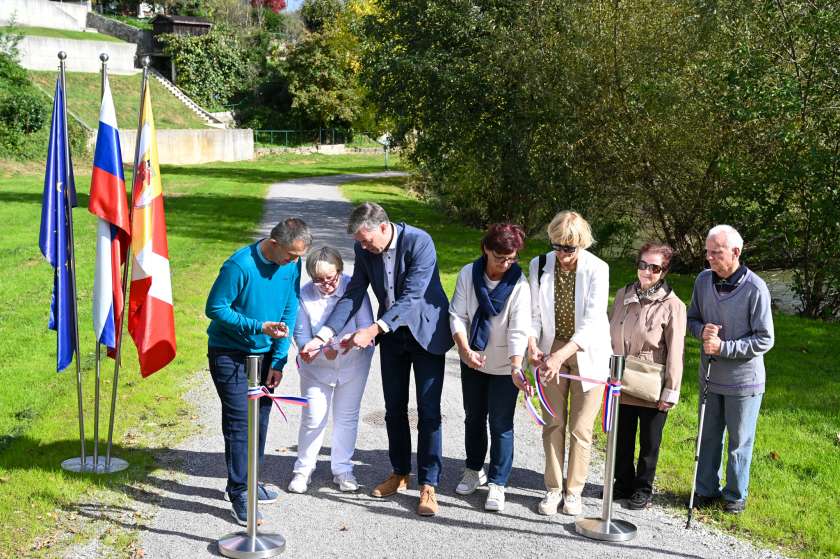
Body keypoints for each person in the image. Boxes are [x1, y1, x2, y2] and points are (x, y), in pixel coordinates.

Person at [300, 202, 453, 516]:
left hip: (426, 333)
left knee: (428, 412)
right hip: (393, 338)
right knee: (394, 409)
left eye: (366, 239)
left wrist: (373, 328)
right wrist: (324, 335)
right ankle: (399, 473)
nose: (363, 246)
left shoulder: (419, 241)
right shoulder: (365, 248)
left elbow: (413, 295)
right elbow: (354, 293)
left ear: (384, 227)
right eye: (359, 242)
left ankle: (429, 484)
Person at [205, 218, 311, 526]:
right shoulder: (239, 265)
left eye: (298, 256)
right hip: (230, 352)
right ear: (274, 243)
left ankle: (251, 481)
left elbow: (290, 307)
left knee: (260, 419)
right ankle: (239, 493)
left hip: (266, 355)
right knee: (240, 423)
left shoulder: (292, 264)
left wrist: (278, 360)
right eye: (291, 254)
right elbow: (215, 308)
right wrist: (256, 326)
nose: (295, 261)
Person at [527, 210, 612, 516]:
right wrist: (533, 345)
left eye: (569, 248)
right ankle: (553, 489)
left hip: (587, 351)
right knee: (553, 423)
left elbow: (591, 322)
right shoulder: (538, 265)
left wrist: (559, 356)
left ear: (582, 244)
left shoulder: (597, 269)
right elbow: (534, 315)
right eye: (557, 246)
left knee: (580, 427)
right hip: (552, 348)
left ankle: (573, 492)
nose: (562, 254)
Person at [687, 224, 774, 514]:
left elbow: (765, 338)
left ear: (736, 252)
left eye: (716, 252)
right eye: (708, 252)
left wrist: (725, 347)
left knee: (739, 442)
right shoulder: (702, 281)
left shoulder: (755, 288)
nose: (709, 258)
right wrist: (702, 332)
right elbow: (692, 320)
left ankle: (735, 495)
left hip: (743, 382)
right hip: (710, 376)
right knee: (708, 435)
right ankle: (705, 490)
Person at [449, 223, 531, 512]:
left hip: (505, 365)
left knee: (501, 424)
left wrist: (516, 366)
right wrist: (465, 350)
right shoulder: (467, 274)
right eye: (500, 258)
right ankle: (473, 469)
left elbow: (520, 329)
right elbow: (457, 315)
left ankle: (498, 482)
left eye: (511, 259)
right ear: (486, 249)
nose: (506, 264)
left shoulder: (519, 285)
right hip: (473, 358)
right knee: (473, 418)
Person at [288, 246, 375, 494]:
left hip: (353, 363)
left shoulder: (353, 288)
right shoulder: (303, 296)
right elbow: (302, 336)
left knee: (347, 416)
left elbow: (366, 329)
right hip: (316, 368)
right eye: (318, 281)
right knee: (314, 417)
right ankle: (303, 470)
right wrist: (313, 349)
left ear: (340, 270)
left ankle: (343, 469)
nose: (326, 285)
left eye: (330, 278)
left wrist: (343, 344)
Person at [609, 242, 686, 510]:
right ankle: (622, 483)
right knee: (621, 438)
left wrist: (671, 391)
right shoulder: (622, 295)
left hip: (651, 384)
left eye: (655, 268)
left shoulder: (673, 305)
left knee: (649, 444)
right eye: (643, 265)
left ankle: (643, 489)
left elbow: (676, 351)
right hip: (620, 379)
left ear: (663, 271)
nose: (647, 272)